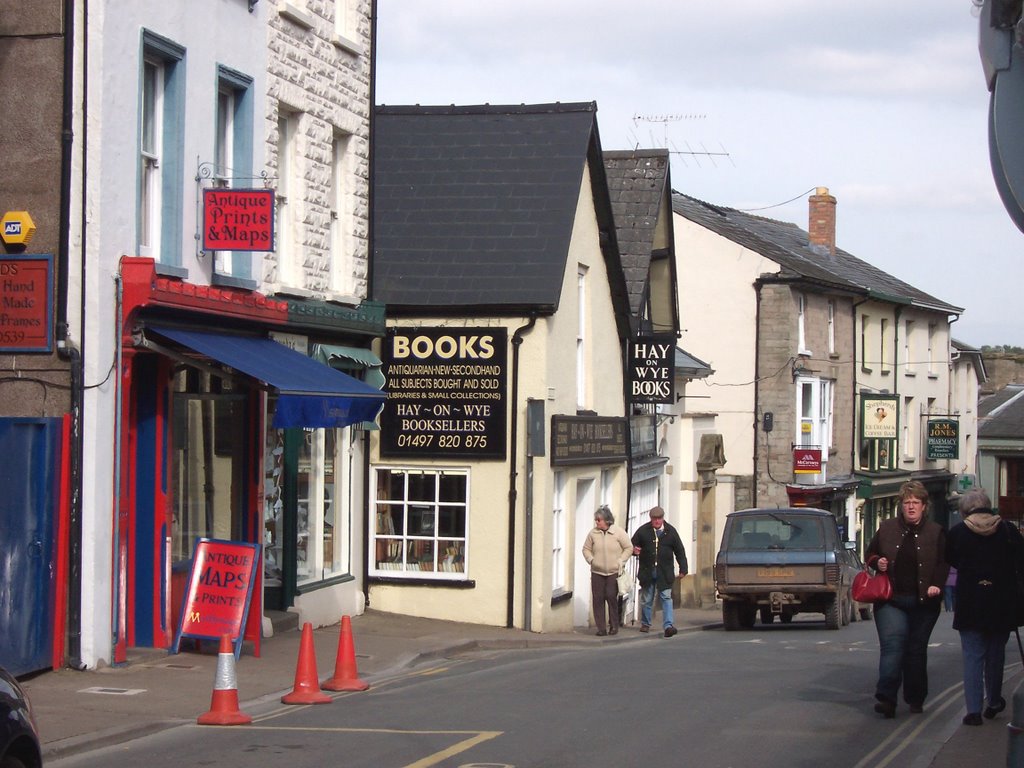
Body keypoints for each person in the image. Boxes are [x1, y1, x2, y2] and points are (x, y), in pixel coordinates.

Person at [865, 480, 949, 719]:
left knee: (915, 650)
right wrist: (876, 562)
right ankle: (887, 698)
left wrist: (936, 584)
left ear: (924, 506)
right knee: (893, 647)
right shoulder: (887, 528)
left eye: (915, 503)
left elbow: (944, 562)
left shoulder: (936, 532)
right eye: (907, 503)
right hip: (891, 600)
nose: (911, 507)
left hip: (924, 603)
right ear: (901, 506)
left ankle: (915, 697)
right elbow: (870, 553)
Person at [945, 488, 1024, 726]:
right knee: (995, 655)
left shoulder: (958, 532)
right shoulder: (1008, 531)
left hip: (971, 600)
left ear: (964, 510)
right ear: (989, 506)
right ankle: (994, 701)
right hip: (1002, 601)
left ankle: (974, 711)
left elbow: (951, 559)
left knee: (972, 657)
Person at [631, 506, 688, 637]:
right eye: (654, 519)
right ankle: (646, 623)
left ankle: (668, 626)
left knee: (666, 597)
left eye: (659, 518)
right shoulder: (643, 531)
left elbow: (680, 551)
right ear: (651, 519)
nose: (657, 521)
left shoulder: (670, 531)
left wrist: (683, 568)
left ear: (663, 518)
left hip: (665, 571)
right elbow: (632, 545)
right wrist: (635, 551)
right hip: (647, 570)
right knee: (647, 599)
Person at [581, 505, 633, 636]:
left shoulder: (618, 532)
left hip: (613, 572)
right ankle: (601, 628)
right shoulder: (593, 534)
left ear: (607, 520)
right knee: (598, 599)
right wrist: (591, 560)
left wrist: (621, 560)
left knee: (611, 597)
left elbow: (628, 548)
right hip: (597, 572)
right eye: (596, 520)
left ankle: (614, 626)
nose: (597, 522)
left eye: (599, 520)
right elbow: (586, 549)